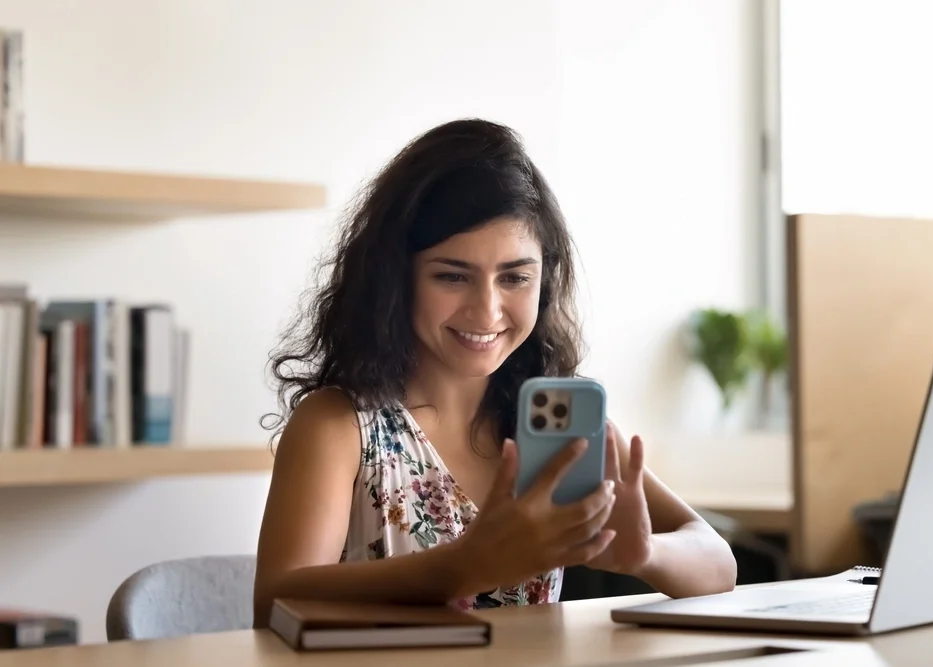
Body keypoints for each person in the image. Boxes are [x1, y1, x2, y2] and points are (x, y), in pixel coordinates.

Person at [252, 118, 737, 626]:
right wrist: (465, 566)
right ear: (396, 279)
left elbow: (718, 563)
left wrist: (644, 558)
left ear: (543, 281)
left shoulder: (557, 426)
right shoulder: (339, 425)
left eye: (515, 277)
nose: (486, 311)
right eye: (452, 275)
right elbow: (275, 602)